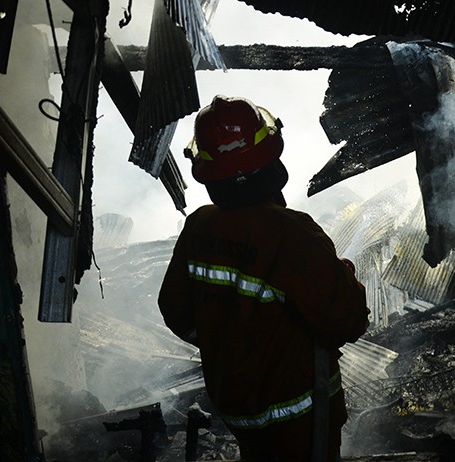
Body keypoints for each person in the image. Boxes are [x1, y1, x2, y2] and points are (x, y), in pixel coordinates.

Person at [158, 96, 370, 461]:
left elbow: (174, 309)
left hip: (238, 409)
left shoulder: (199, 227)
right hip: (303, 416)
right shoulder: (292, 234)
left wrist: (228, 341)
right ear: (271, 156)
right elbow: (348, 321)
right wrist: (343, 275)